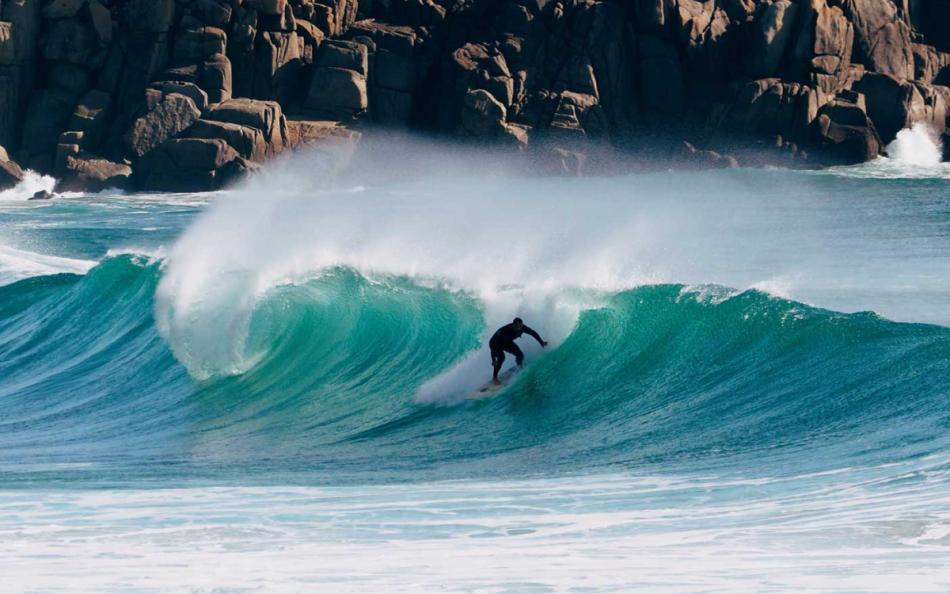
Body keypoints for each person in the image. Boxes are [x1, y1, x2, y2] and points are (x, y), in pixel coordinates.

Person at [489, 317, 547, 384]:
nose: (518, 328)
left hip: (507, 343)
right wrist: (493, 359)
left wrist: (541, 342)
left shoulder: (523, 328)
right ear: (513, 325)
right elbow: (493, 343)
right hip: (496, 343)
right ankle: (494, 377)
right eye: (516, 326)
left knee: (520, 355)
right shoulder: (505, 330)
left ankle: (519, 366)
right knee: (501, 357)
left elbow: (533, 333)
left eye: (520, 326)